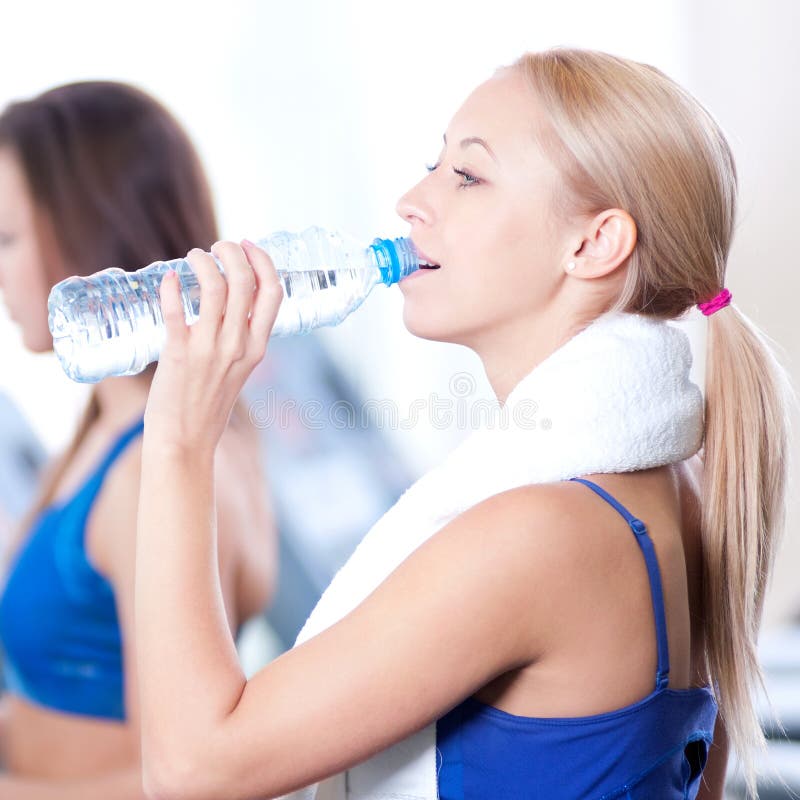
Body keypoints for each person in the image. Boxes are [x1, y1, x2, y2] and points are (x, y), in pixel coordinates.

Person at [132, 48, 793, 800]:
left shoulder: (546, 531)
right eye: (433, 164)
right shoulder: (675, 489)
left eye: (468, 176)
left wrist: (180, 440)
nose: (412, 201)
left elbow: (191, 771)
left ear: (594, 243)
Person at [0, 81, 276, 797]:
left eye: (7, 238)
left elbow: (174, 779)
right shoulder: (107, 435)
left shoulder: (156, 470)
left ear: (90, 229)